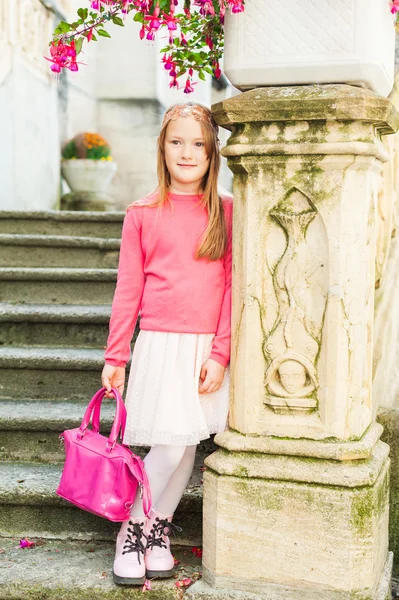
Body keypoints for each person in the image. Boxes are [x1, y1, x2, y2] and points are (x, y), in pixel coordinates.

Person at [101, 102, 232, 586]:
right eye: (177, 141)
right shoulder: (142, 213)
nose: (187, 151)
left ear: (212, 152)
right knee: (171, 448)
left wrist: (220, 353)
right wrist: (117, 355)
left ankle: (156, 532)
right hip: (160, 345)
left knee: (187, 446)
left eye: (198, 143)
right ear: (162, 147)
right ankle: (131, 531)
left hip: (204, 352)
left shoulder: (227, 212)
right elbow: (127, 289)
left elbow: (233, 287)